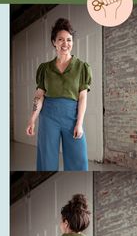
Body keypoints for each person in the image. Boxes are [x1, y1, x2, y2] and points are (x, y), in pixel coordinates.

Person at [26, 18, 92, 171]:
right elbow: (39, 95)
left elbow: (82, 97)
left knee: (78, 161)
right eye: (61, 39)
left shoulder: (82, 67)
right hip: (48, 116)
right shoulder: (45, 68)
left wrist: (79, 123)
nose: (65, 43)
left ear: (72, 42)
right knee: (46, 161)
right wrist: (32, 119)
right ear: (54, 42)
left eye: (69, 40)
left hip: (72, 116)